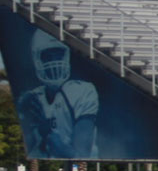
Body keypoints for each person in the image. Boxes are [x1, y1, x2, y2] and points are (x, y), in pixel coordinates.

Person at [16, 30, 99, 159]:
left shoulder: (82, 91)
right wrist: (25, 120)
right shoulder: (33, 98)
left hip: (82, 167)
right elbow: (27, 151)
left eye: (58, 55)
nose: (54, 62)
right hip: (48, 166)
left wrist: (47, 133)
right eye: (48, 56)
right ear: (37, 59)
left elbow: (80, 156)